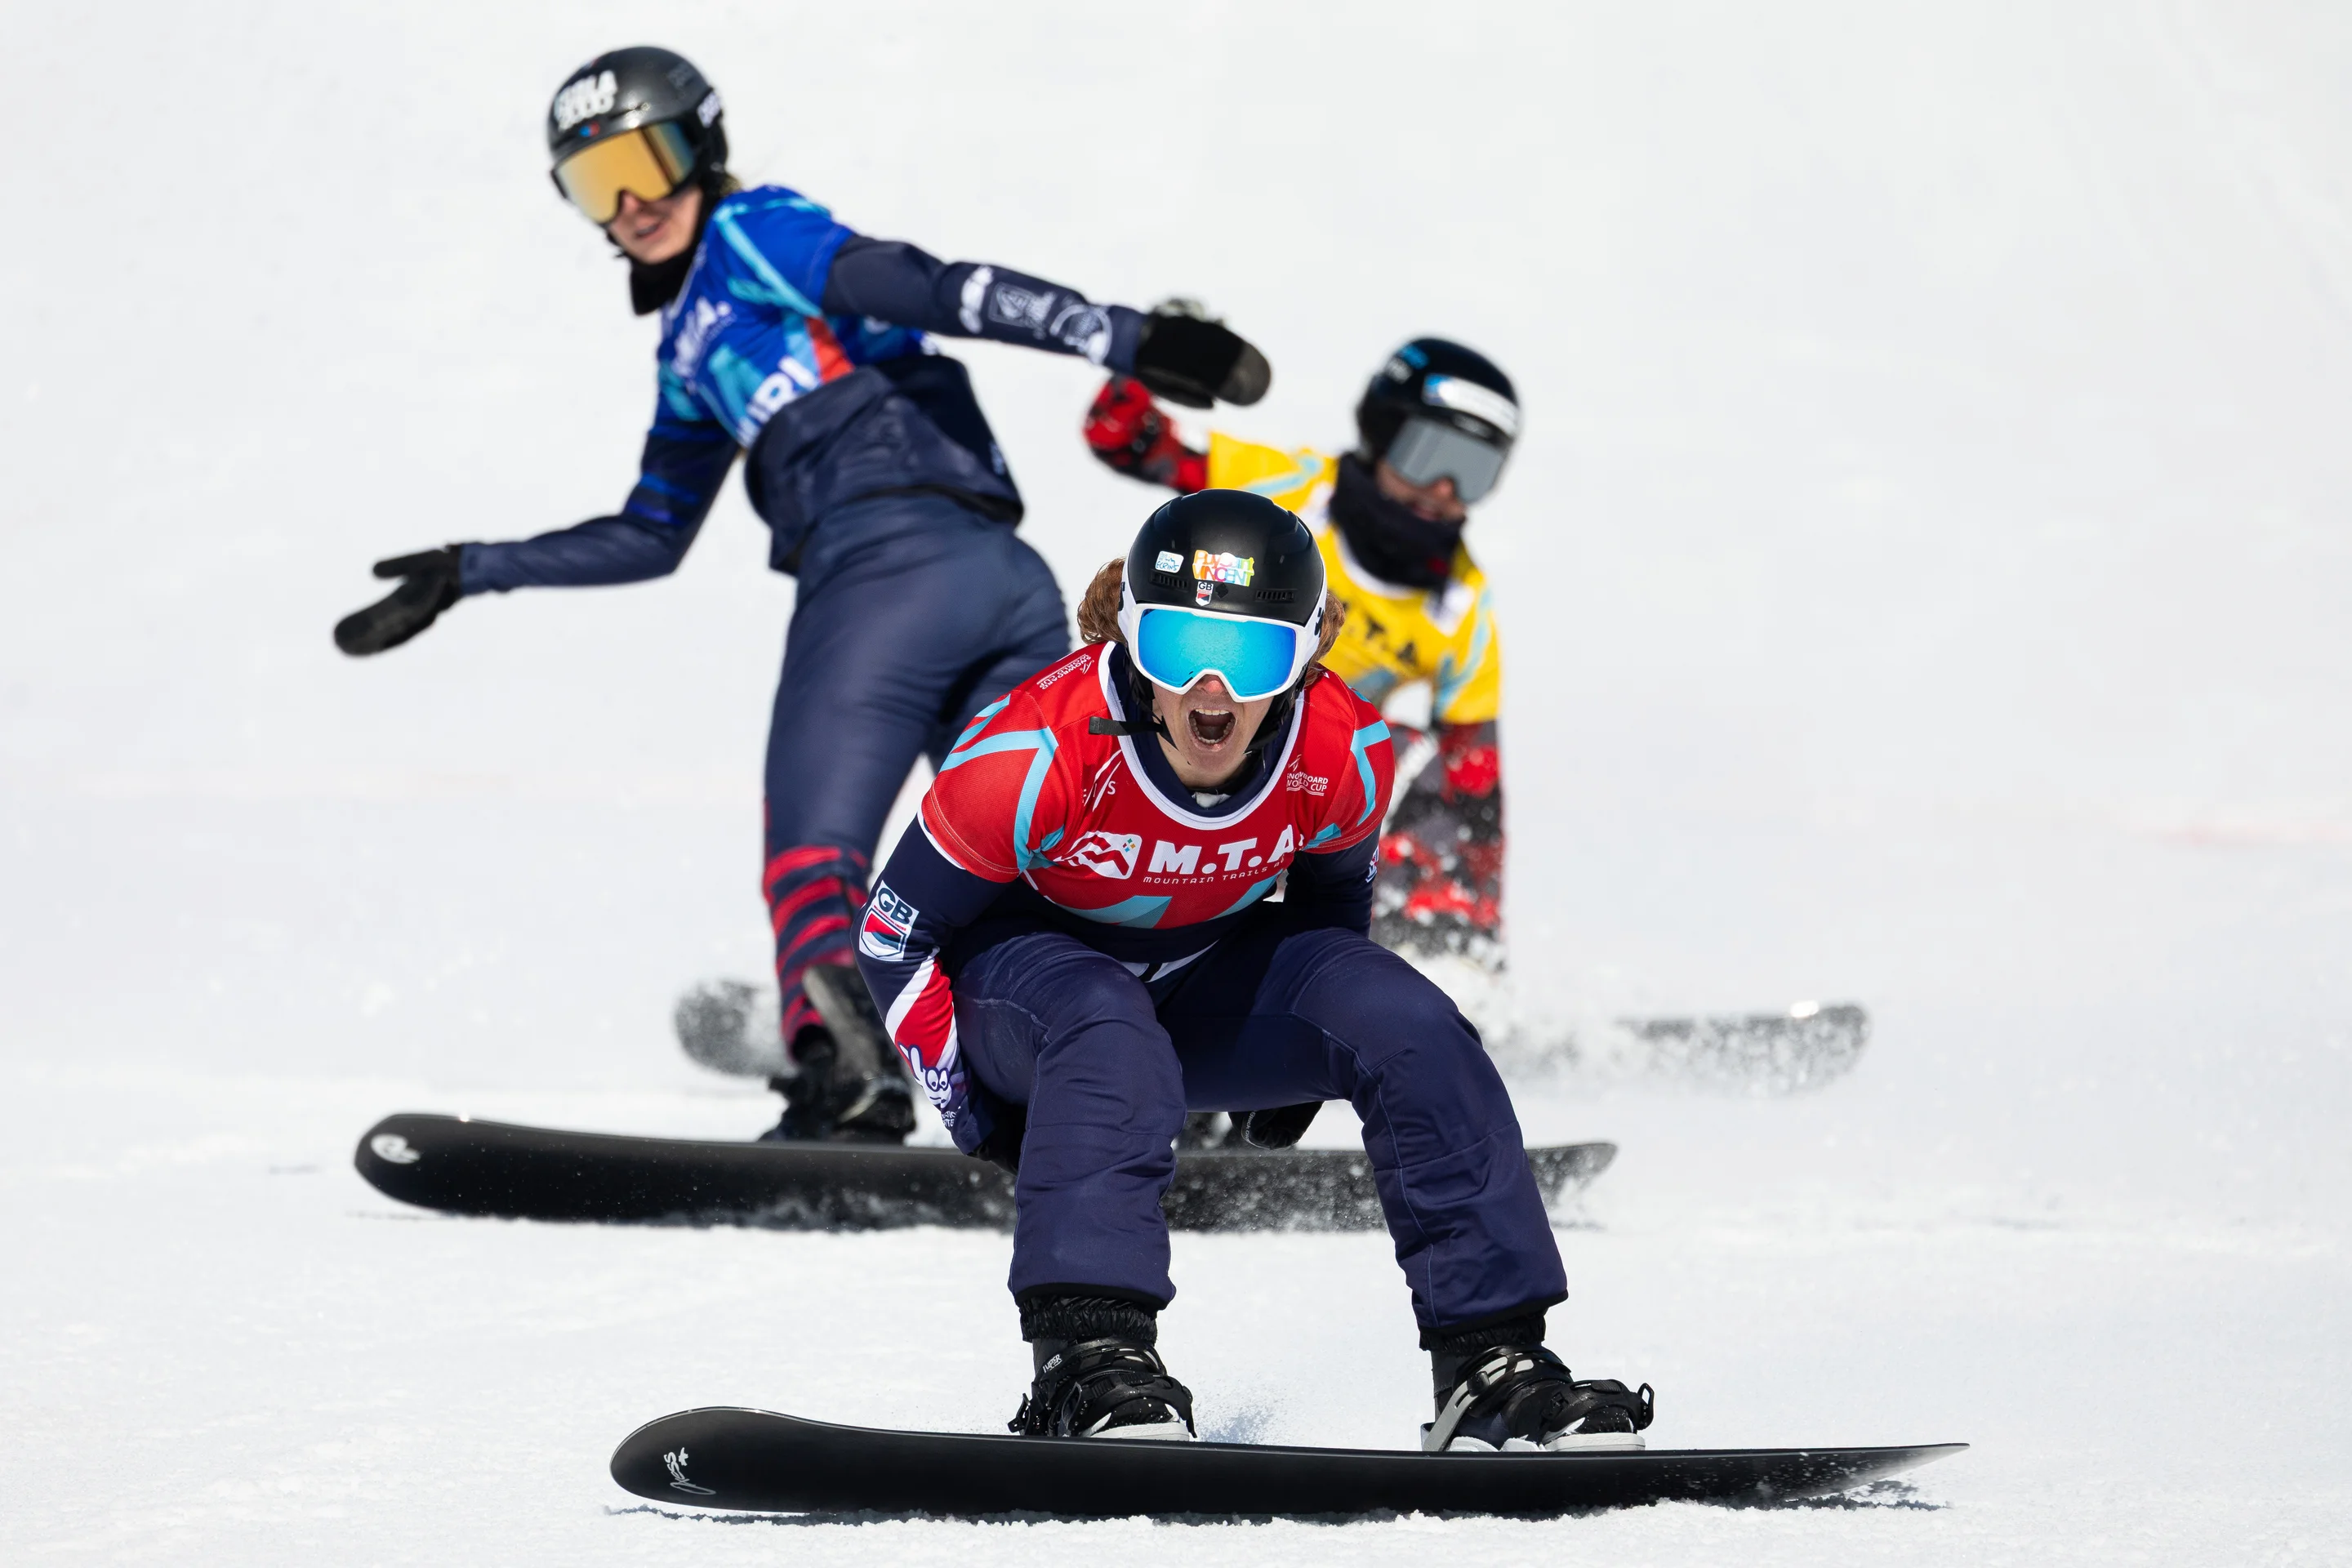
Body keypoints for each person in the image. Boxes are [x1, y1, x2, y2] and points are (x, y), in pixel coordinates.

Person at [333, 47, 1268, 1142]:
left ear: (706, 144)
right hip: (1005, 581)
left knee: (813, 855)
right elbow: (651, 531)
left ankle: (848, 1077)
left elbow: (926, 286)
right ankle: (1146, 1068)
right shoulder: (689, 351)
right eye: (595, 185)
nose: (631, 205)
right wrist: (469, 569)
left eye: (646, 160)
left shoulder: (755, 233)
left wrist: (1131, 338)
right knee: (1050, 854)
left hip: (881, 580)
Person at [854, 489, 1651, 1450]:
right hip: (1026, 991)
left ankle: (1490, 1368)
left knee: (1409, 1023)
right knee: (1106, 1023)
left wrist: (1315, 1053)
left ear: (1306, 655)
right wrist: (976, 1113)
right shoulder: (1032, 753)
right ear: (1130, 642)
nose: (1212, 693)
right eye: (1178, 651)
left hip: (1196, 986)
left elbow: (1326, 915)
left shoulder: (1343, 750)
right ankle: (1088, 1364)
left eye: (1251, 656)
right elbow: (895, 938)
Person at [1081, 340, 1514, 970]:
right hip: (1181, 714)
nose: (1443, 489)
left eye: (1474, 471)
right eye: (1428, 455)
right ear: (1381, 433)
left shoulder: (1461, 604)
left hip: (1289, 768)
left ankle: (1430, 959)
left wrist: (1480, 927)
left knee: (1404, 759)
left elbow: (1475, 784)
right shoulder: (1289, 491)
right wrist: (1149, 360)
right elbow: (1123, 437)